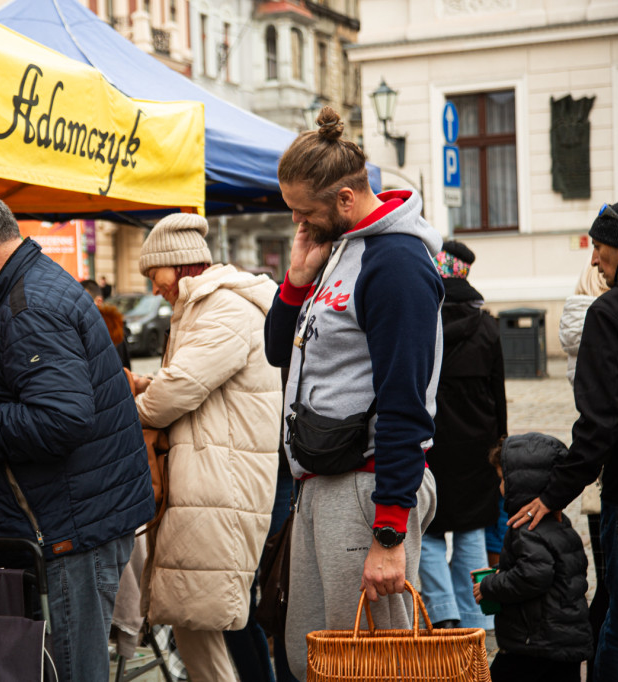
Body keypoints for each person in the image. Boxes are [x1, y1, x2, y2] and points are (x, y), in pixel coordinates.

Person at [0, 188, 154, 682]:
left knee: (70, 673)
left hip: (68, 532)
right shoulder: (30, 289)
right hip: (73, 523)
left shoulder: (30, 306)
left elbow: (62, 418)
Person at [263, 106, 440, 680]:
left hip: (365, 490)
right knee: (318, 659)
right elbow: (279, 353)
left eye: (303, 211)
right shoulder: (340, 248)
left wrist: (389, 530)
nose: (298, 223)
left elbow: (405, 401)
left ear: (344, 199)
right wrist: (294, 282)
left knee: (371, 666)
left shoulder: (395, 262)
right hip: (324, 486)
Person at [130, 212, 281, 682]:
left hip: (224, 485)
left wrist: (133, 401)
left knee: (206, 617)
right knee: (199, 617)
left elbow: (175, 394)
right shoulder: (203, 307)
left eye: (154, 275)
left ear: (178, 265)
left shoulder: (225, 308)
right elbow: (192, 386)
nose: (153, 288)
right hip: (213, 480)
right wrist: (149, 385)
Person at [510, 198, 618, 680]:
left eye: (599, 247)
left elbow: (601, 420)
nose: (593, 259)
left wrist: (554, 492)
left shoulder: (613, 311)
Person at [418, 240, 506, 631]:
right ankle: (479, 618)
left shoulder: (422, 324)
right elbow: (498, 395)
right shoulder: (487, 327)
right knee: (472, 531)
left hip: (432, 445)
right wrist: (500, 444)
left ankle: (443, 615)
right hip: (477, 451)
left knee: (430, 532)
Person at [475, 433, 592, 682]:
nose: (500, 487)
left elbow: (534, 575)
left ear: (522, 483)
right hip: (563, 640)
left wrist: (490, 585)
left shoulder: (525, 531)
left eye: (503, 480)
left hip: (534, 644)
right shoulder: (561, 523)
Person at [558, 261, 610, 678]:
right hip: (607, 477)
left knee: (607, 586)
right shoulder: (608, 322)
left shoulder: (582, 327)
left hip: (596, 481)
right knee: (613, 591)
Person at [80, 278, 131, 369]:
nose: (80, 308)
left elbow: (123, 368)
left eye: (84, 302)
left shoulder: (113, 331)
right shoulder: (79, 329)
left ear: (99, 301)